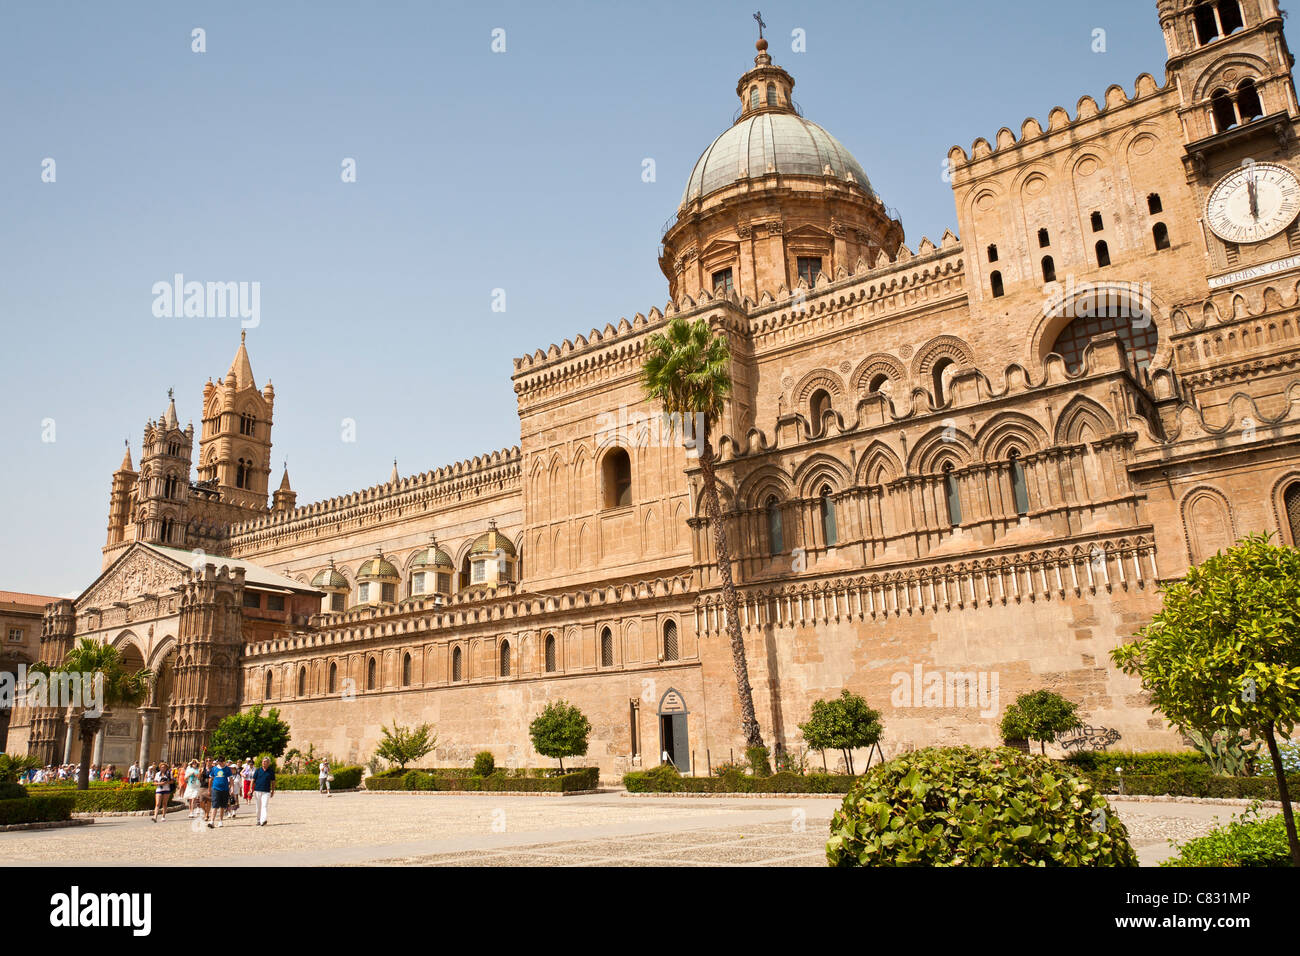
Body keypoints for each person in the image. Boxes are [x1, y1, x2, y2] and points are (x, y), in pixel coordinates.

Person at [207, 757, 234, 828]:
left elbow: (231, 779)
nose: (220, 763)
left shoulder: (227, 769)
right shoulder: (214, 768)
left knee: (222, 806)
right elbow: (210, 779)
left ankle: (220, 821)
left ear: (224, 761)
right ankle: (212, 821)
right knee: (214, 805)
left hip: (225, 789)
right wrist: (209, 789)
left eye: (221, 762)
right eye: (219, 762)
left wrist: (232, 788)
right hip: (215, 789)